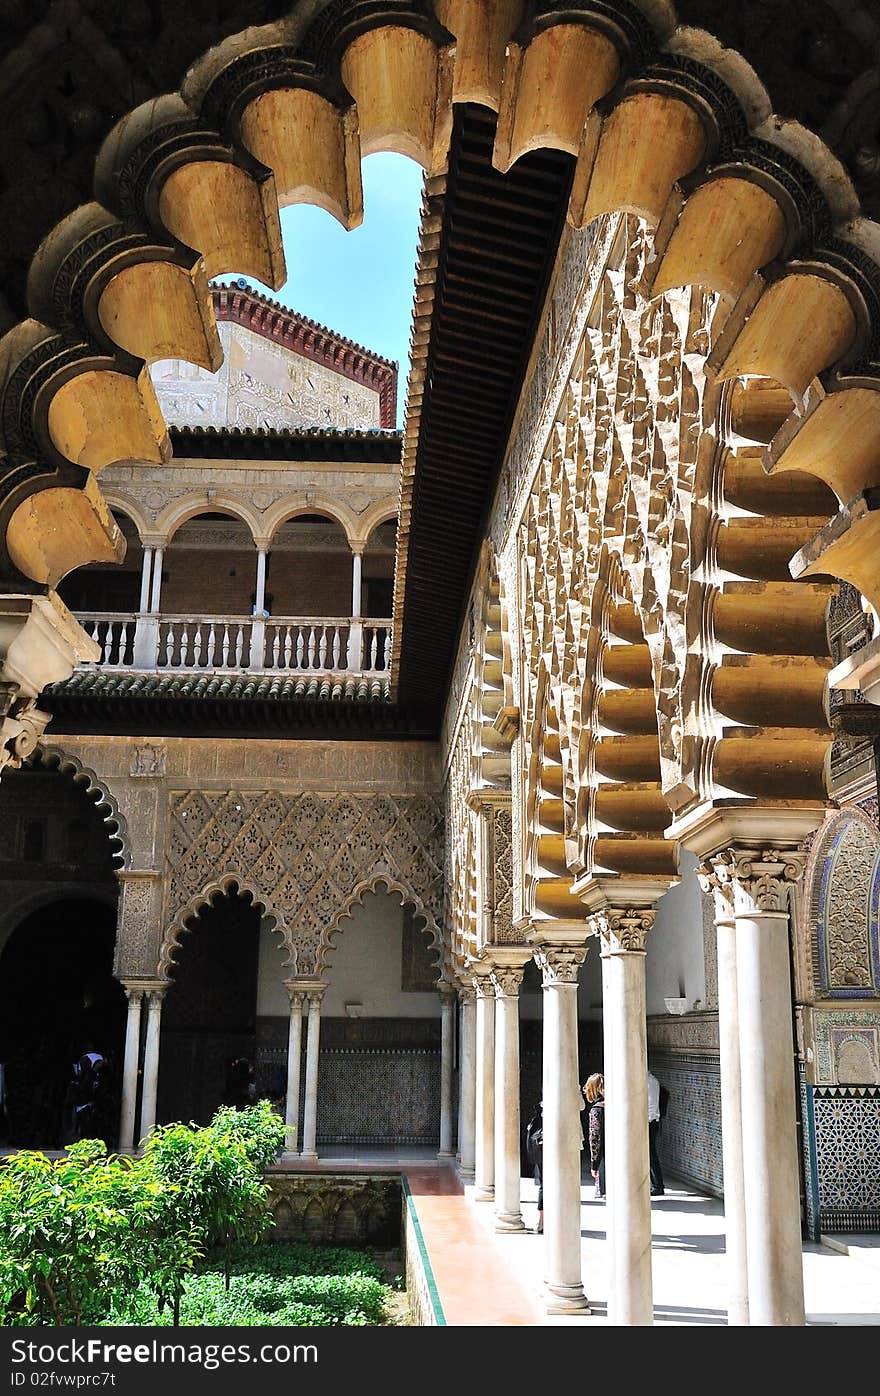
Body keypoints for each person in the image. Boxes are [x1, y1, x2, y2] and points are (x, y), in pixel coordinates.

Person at [584, 1073, 605, 1199]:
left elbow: (595, 1139)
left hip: (604, 1160)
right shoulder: (616, 1106)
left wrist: (594, 1165)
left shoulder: (596, 1110)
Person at [525, 1101, 544, 1233]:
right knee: (546, 1185)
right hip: (546, 1151)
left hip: (540, 1152)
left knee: (544, 1185)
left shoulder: (538, 1113)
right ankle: (541, 1220)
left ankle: (541, 1220)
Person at [647, 1069, 665, 1196]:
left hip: (650, 1122)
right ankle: (655, 1184)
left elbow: (651, 1104)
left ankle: (657, 1185)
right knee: (649, 1154)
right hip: (649, 1121)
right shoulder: (648, 1080)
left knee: (651, 1154)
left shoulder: (650, 1081)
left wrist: (646, 1121)